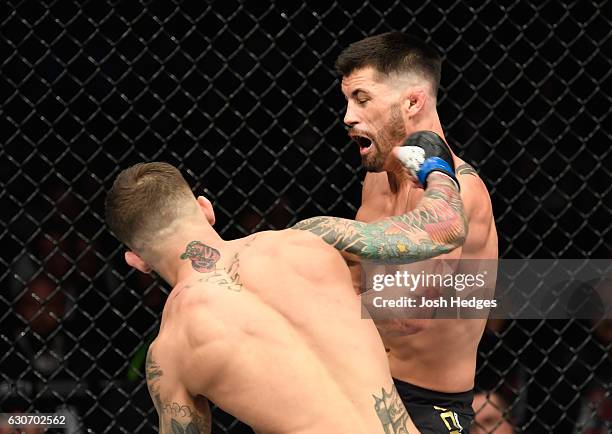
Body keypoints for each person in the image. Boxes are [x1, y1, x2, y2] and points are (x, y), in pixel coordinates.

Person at [104, 153, 464, 433]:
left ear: (136, 260)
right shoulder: (310, 238)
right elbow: (444, 226)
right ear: (205, 209)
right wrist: (435, 167)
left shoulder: (170, 354)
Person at [335, 32, 498, 433]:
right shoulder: (376, 181)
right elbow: (354, 278)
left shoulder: (460, 192)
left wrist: (309, 298)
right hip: (359, 385)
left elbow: (409, 314)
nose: (347, 117)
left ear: (412, 102)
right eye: (347, 101)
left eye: (362, 98)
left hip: (427, 406)